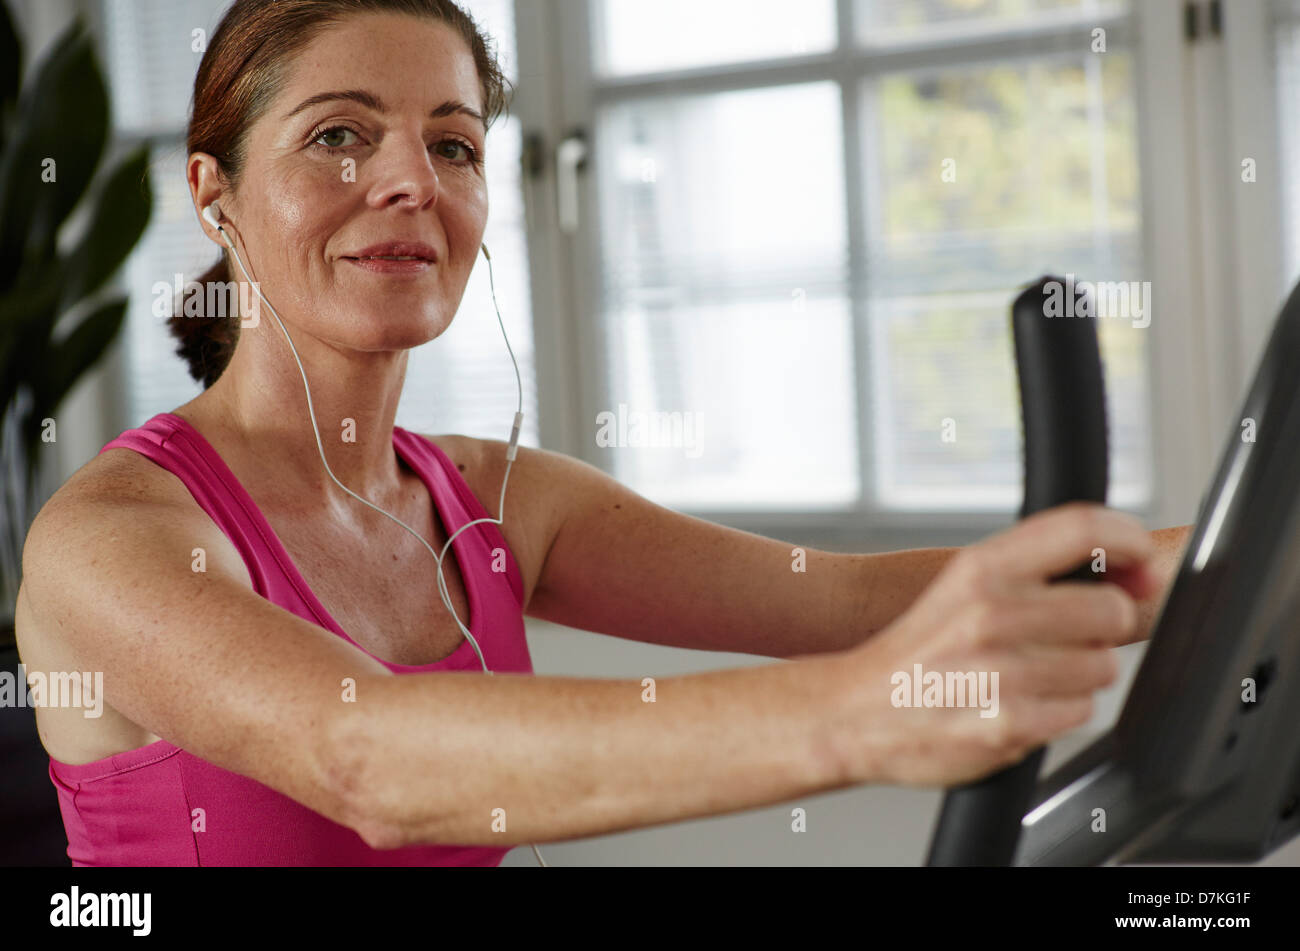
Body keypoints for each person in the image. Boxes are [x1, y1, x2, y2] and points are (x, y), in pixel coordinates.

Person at [14, 0, 1190, 865]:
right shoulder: (109, 542)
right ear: (212, 192)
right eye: (338, 136)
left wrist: (1213, 555)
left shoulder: (497, 500)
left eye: (454, 143)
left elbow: (838, 601)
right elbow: (366, 757)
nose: (409, 182)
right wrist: (866, 713)